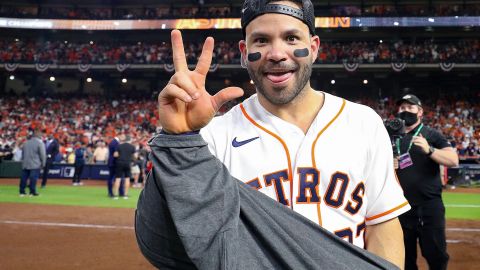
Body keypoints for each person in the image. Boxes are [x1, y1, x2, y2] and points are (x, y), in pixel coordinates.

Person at [137, 0, 410, 268]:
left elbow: (382, 223)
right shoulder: (212, 137)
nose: (277, 53)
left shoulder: (363, 122)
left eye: (291, 38)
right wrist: (179, 139)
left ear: (313, 48)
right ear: (244, 52)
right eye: (262, 41)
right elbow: (167, 240)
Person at [394, 94, 459, 270]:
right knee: (405, 258)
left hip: (429, 207)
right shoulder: (393, 137)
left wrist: (429, 150)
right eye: (402, 108)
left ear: (420, 112)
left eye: (410, 107)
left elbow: (453, 159)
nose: (405, 111)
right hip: (401, 208)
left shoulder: (431, 134)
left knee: (435, 255)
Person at [19, 129, 46, 196]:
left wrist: (24, 160)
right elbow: (43, 155)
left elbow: (23, 153)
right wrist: (43, 164)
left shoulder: (26, 142)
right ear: (39, 136)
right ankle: (32, 192)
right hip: (35, 164)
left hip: (25, 163)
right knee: (33, 178)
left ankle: (22, 192)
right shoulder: (40, 143)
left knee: (23, 178)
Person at [112, 135, 136, 199]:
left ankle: (115, 195)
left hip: (120, 163)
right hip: (128, 163)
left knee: (118, 179)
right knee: (127, 179)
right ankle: (125, 195)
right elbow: (134, 156)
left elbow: (115, 155)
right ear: (130, 140)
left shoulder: (119, 145)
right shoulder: (132, 147)